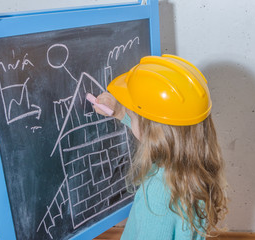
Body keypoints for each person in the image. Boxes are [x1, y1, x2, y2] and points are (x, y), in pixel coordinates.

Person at [93, 54, 228, 240]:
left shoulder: (158, 193)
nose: (130, 120)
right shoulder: (192, 168)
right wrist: (120, 112)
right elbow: (149, 128)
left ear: (155, 135)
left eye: (132, 117)